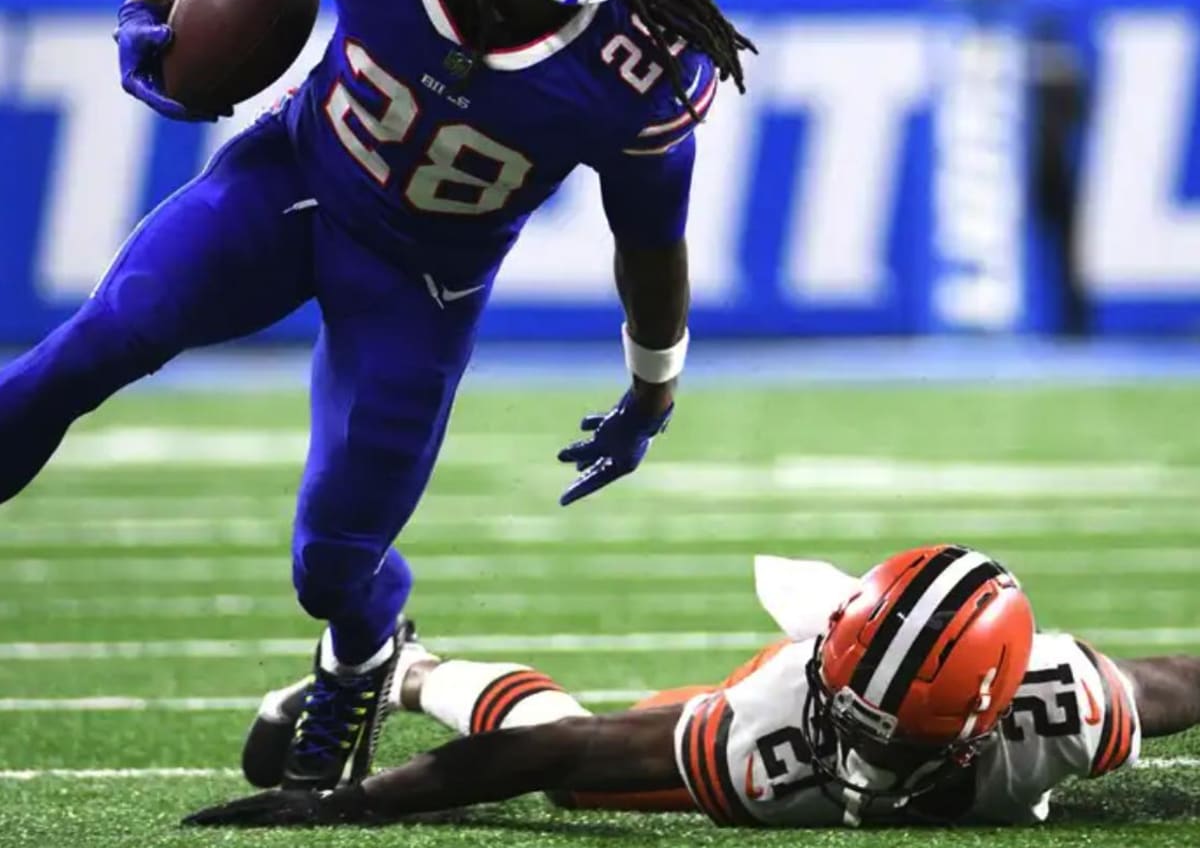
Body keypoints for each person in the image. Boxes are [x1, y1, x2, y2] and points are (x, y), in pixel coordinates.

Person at [0, 0, 754, 790]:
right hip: (292, 188)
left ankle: (363, 652)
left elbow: (650, 236)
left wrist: (654, 385)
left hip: (422, 287)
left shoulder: (641, 64)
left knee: (334, 561)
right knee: (84, 352)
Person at [184, 543, 1200, 829]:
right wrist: (357, 802)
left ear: (984, 731)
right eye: (863, 726)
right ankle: (411, 668)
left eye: (898, 741)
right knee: (577, 781)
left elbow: (1181, 682)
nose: (865, 756)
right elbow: (560, 751)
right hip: (786, 681)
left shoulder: (1063, 705)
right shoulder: (776, 738)